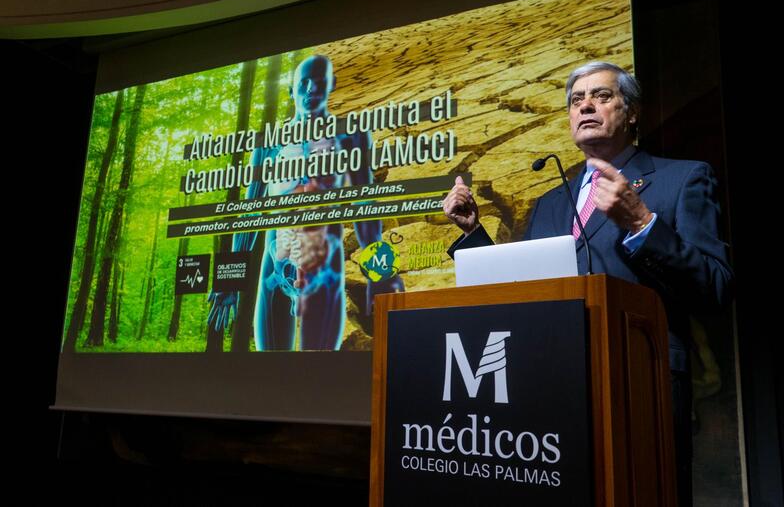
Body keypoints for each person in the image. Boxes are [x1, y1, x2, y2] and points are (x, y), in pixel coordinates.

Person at [442, 61, 733, 505]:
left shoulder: (683, 179)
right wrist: (472, 235)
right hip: (550, 382)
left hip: (640, 383)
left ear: (631, 112)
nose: (586, 106)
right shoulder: (549, 202)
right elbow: (522, 287)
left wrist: (642, 221)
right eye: (577, 100)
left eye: (601, 96)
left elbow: (716, 287)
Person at [208, 54, 403, 351]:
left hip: (326, 269)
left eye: (320, 82)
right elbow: (249, 213)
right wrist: (229, 281)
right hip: (275, 269)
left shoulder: (351, 135)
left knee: (321, 368)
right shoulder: (268, 143)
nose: (311, 89)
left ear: (332, 86)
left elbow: (366, 206)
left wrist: (381, 273)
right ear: (291, 90)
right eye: (304, 83)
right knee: (270, 372)